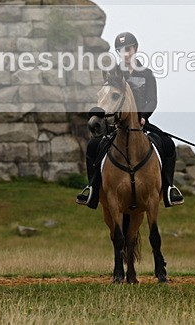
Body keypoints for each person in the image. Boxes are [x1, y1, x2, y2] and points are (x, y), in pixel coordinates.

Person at [77, 31, 185, 209]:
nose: (125, 53)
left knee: (167, 144)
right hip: (115, 125)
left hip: (141, 123)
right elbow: (106, 97)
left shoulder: (147, 74)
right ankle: (92, 189)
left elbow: (152, 100)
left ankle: (168, 189)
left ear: (135, 49)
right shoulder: (114, 74)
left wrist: (143, 117)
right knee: (93, 146)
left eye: (128, 49)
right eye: (120, 50)